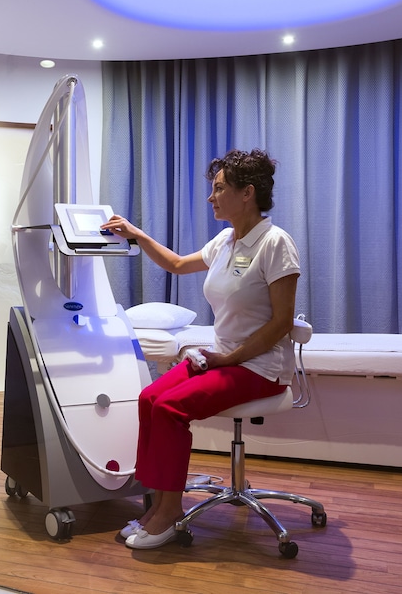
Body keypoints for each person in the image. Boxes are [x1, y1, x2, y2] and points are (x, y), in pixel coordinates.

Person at [101, 148, 301, 550]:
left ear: (247, 193)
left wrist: (227, 359)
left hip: (259, 367)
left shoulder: (275, 243)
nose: (211, 197)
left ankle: (170, 512)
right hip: (222, 357)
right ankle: (156, 505)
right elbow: (177, 265)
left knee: (170, 409)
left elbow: (281, 322)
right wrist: (137, 234)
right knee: (149, 398)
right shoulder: (227, 240)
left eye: (220, 189)